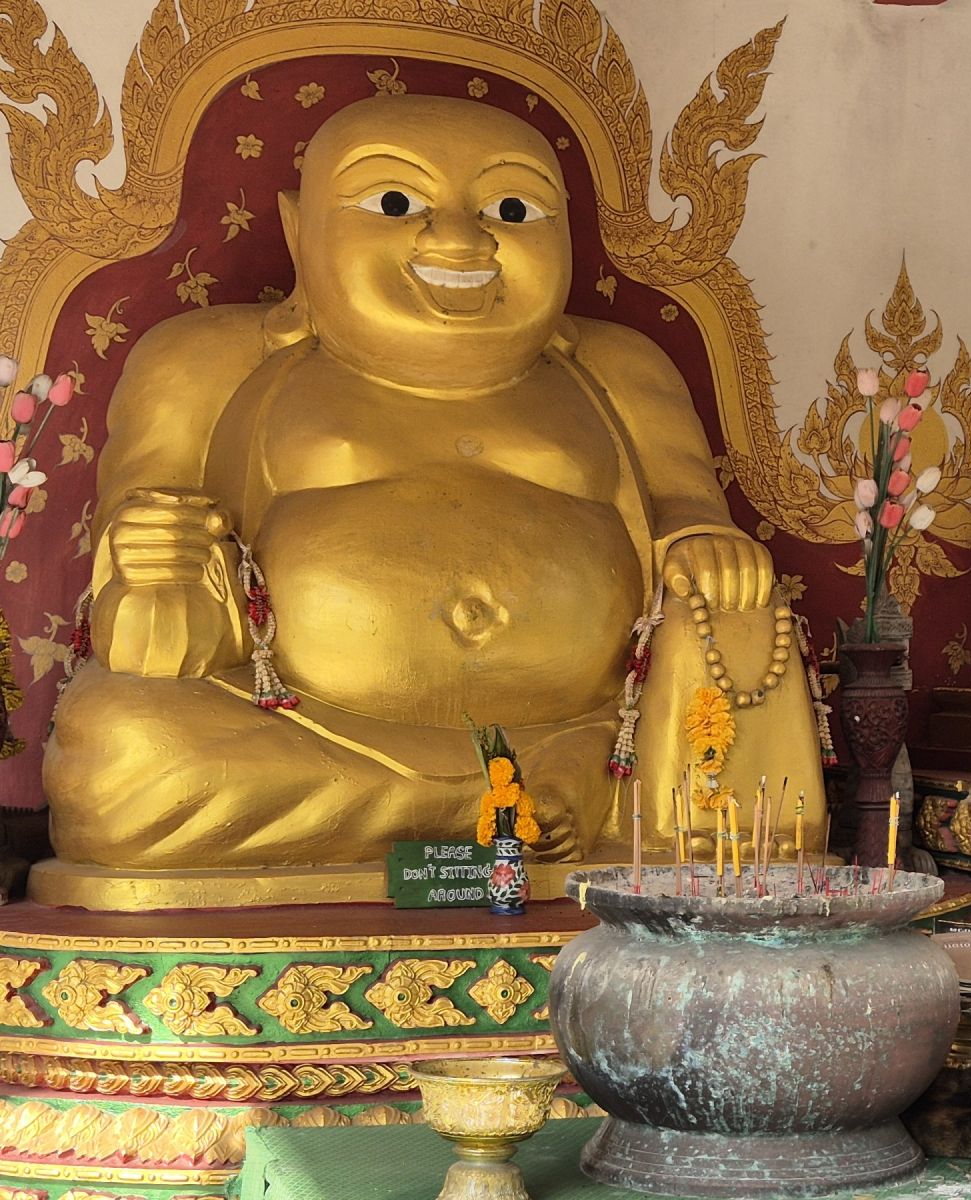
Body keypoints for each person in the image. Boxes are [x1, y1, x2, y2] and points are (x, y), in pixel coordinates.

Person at [43, 95, 821, 881]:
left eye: (512, 209)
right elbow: (142, 629)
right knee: (119, 754)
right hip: (309, 736)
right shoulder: (203, 359)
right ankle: (509, 814)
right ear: (295, 228)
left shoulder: (621, 368)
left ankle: (551, 796)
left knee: (738, 667)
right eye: (394, 202)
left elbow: (687, 519)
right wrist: (159, 562)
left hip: (594, 732)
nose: (460, 238)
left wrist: (704, 544)